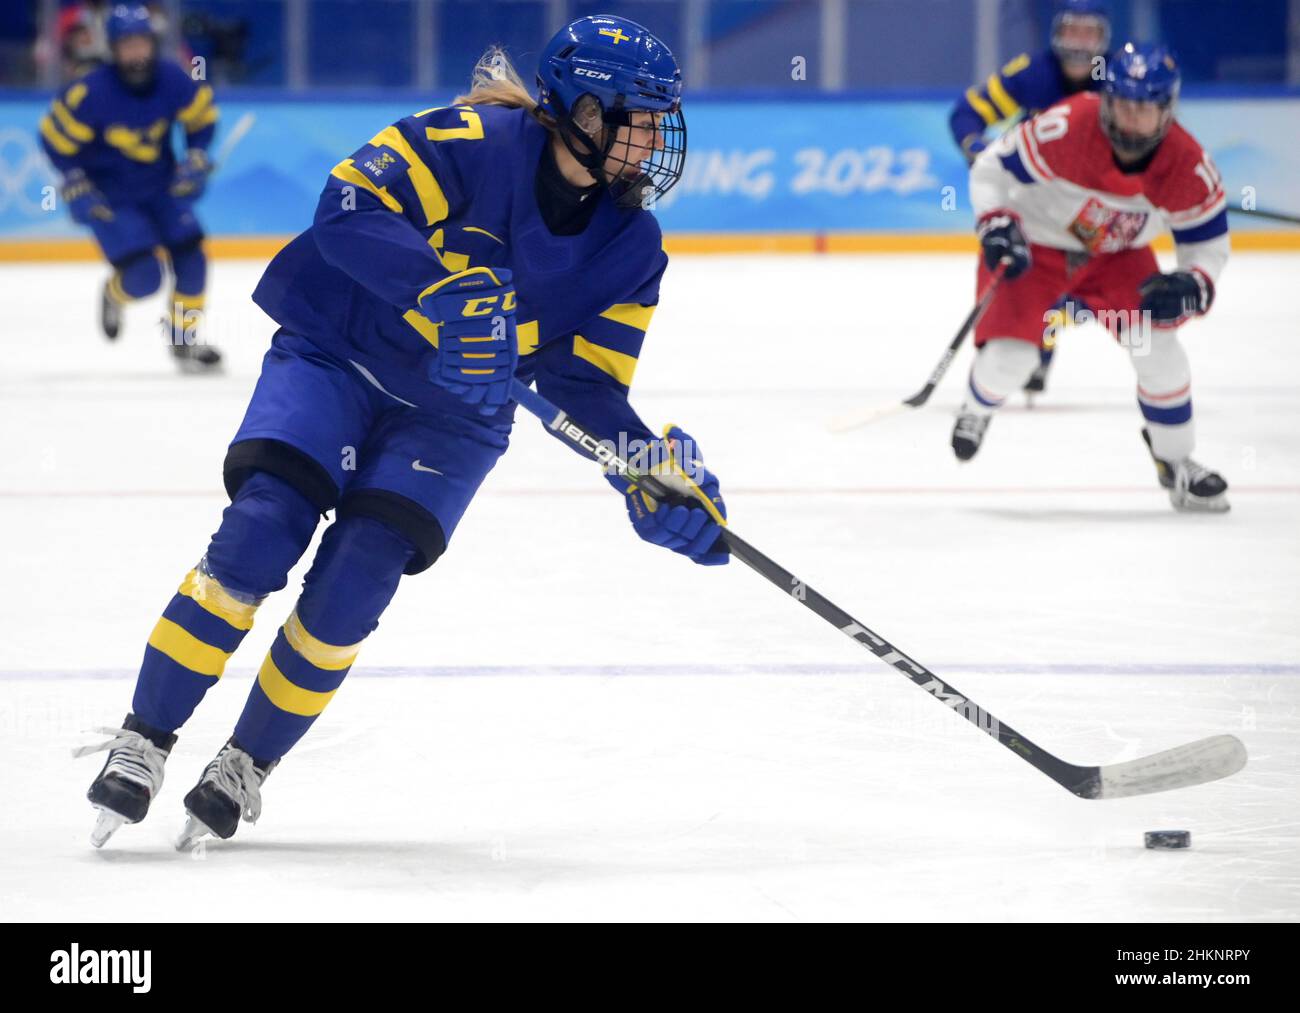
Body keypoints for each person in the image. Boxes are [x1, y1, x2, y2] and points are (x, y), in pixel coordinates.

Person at [75, 14, 728, 849]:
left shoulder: (632, 247)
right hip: (337, 353)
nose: (654, 141)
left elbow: (583, 384)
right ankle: (145, 736)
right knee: (261, 531)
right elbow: (346, 206)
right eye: (639, 118)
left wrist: (644, 466)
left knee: (357, 580)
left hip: (456, 414)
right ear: (584, 111)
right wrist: (435, 291)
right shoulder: (475, 141)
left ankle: (245, 761)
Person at [953, 42, 1230, 513]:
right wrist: (998, 222)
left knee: (1158, 349)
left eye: (1145, 109)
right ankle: (976, 408)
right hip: (1037, 249)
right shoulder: (1067, 125)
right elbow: (990, 167)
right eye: (1123, 104)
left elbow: (1206, 246)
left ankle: (1177, 461)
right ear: (1107, 99)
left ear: (1168, 109)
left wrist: (1192, 284)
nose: (1131, 119)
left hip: (1115, 260)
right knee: (1011, 363)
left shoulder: (1187, 165)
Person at [38, 2, 222, 372]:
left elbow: (202, 119)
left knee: (192, 257)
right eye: (127, 46)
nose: (136, 53)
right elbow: (55, 142)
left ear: (153, 43)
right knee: (144, 278)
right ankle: (113, 293)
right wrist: (74, 178)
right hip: (111, 197)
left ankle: (183, 341)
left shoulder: (173, 80)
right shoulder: (90, 93)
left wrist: (197, 156)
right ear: (113, 49)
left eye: (142, 44)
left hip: (161, 188)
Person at [949, 0, 1112, 397]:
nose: (1078, 43)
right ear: (1057, 34)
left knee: (1092, 281)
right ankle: (997, 345)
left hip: (1089, 202)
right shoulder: (1034, 73)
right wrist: (980, 150)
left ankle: (1043, 338)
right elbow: (967, 114)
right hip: (1030, 197)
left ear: (1102, 39)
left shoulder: (1117, 81)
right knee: (1005, 263)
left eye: (1087, 33)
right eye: (1071, 31)